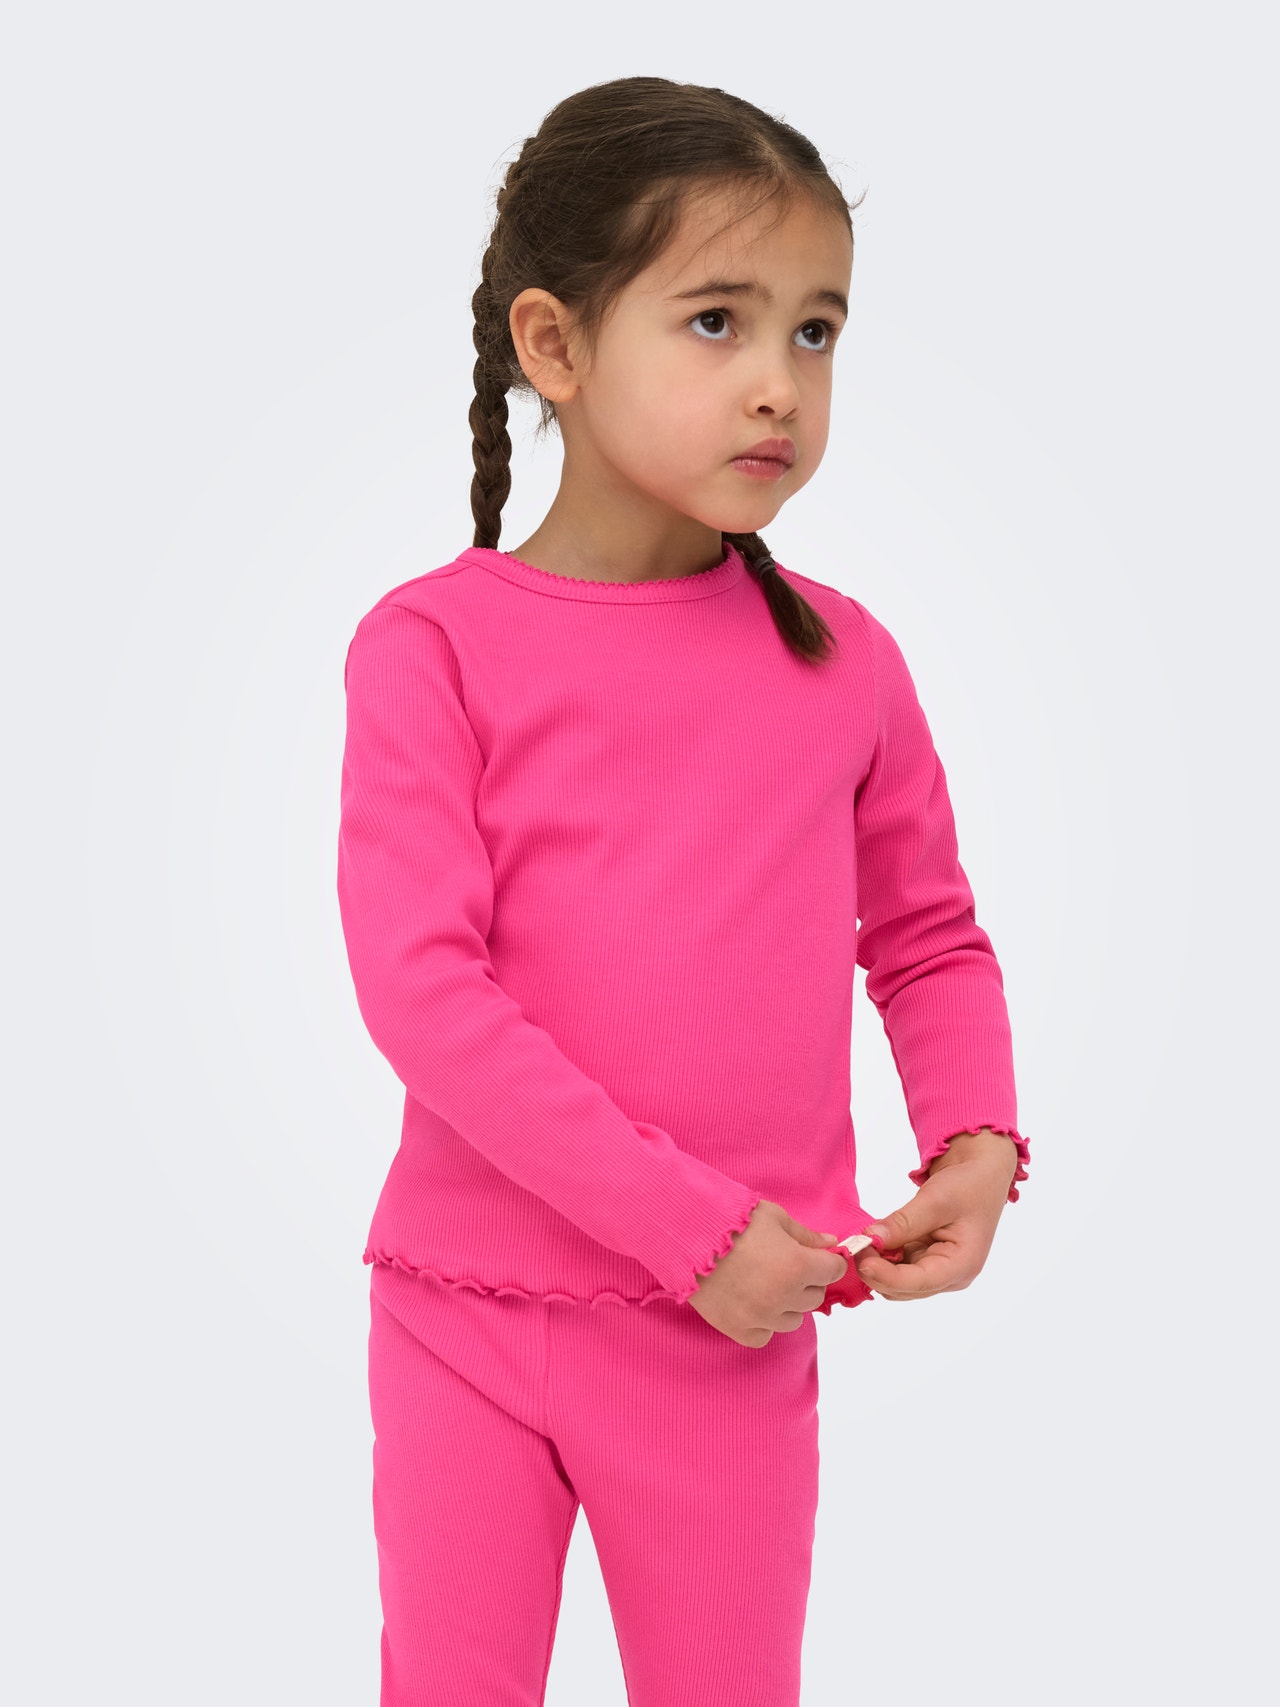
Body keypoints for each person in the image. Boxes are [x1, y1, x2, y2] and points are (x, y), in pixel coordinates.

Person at [336, 74, 1031, 1707]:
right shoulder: (432, 648)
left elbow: (928, 937)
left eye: (815, 331)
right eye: (718, 321)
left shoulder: (846, 661)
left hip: (735, 1333)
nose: (780, 382)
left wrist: (978, 1143)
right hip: (465, 1314)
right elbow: (423, 993)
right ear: (556, 346)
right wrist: (691, 1228)